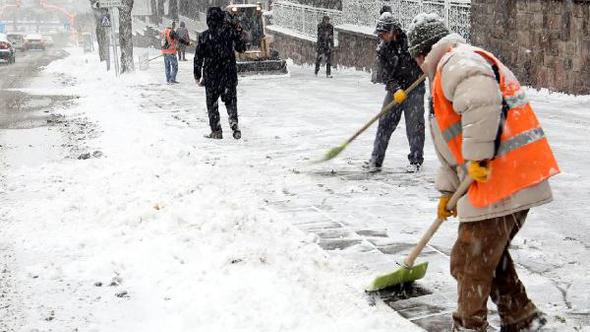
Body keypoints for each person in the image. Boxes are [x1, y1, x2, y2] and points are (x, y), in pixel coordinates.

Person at [406, 13, 560, 332]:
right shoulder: (448, 69)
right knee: (491, 256)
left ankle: (468, 325)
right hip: (505, 178)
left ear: (422, 53)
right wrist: (448, 193)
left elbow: (481, 104)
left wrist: (477, 157)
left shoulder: (456, 62)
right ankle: (521, 317)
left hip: (502, 178)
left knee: (469, 260)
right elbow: (451, 144)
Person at [365, 12, 425, 173]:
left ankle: (415, 160)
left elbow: (424, 61)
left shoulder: (411, 42)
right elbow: (385, 74)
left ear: (393, 30)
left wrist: (424, 70)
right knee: (385, 123)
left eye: (383, 33)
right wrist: (396, 88)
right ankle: (376, 160)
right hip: (396, 89)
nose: (380, 36)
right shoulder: (383, 49)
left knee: (415, 126)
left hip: (415, 88)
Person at [194, 7, 247, 139]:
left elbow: (198, 57)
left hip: (211, 76)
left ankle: (216, 131)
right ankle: (233, 120)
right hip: (229, 73)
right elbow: (241, 48)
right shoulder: (230, 33)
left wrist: (197, 75)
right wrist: (238, 33)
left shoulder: (204, 36)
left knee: (212, 105)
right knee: (230, 101)